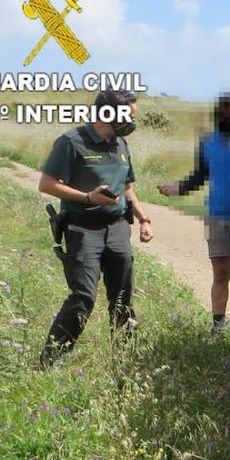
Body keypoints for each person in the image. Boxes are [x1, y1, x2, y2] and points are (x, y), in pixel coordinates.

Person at [38, 88, 153, 366]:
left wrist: (143, 218)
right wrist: (88, 197)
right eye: (129, 115)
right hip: (83, 230)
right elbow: (47, 184)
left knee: (123, 297)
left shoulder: (121, 145)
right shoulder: (71, 142)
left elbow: (127, 188)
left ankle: (126, 359)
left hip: (117, 230)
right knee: (83, 298)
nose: (133, 122)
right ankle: (49, 361)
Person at [159, 92, 230, 334]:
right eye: (223, 110)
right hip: (218, 217)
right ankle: (218, 325)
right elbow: (200, 176)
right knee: (221, 272)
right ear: (217, 115)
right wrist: (178, 188)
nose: (228, 114)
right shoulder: (207, 143)